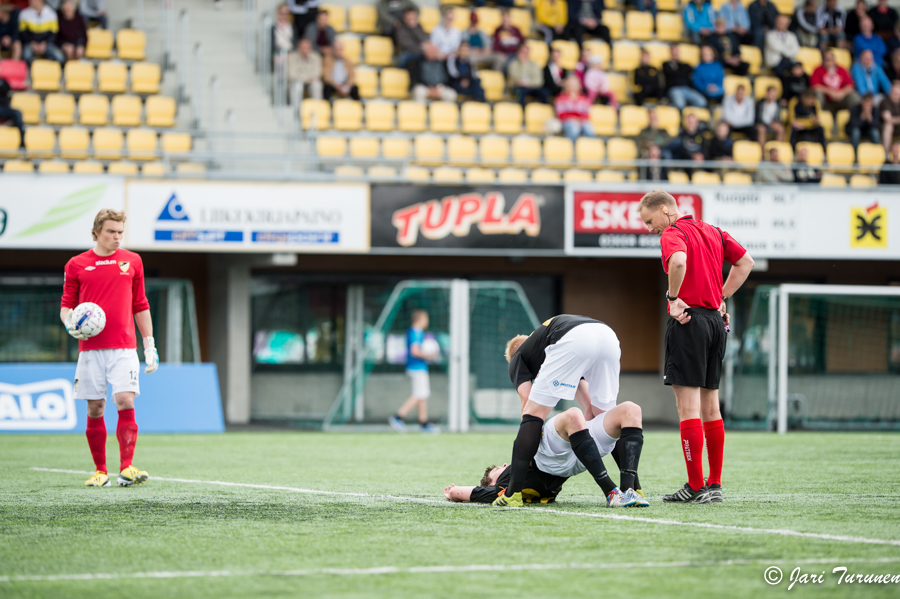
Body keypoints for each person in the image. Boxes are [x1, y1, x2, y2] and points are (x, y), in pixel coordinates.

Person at [637, 190, 754, 504]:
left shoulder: (674, 233)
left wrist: (673, 299)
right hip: (716, 324)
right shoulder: (713, 231)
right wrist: (720, 298)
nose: (649, 228)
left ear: (665, 210)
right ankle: (713, 484)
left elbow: (678, 260)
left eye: (650, 221)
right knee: (711, 407)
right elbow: (745, 262)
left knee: (687, 409)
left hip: (688, 322)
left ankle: (695, 486)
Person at [492, 315, 635, 508]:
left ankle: (513, 493)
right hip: (607, 335)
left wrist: (532, 447)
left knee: (532, 415)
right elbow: (590, 407)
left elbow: (528, 405)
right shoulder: (551, 347)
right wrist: (581, 437)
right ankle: (633, 489)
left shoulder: (517, 357)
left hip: (576, 338)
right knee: (607, 420)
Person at [60, 209, 158, 489]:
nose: (116, 237)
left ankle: (126, 468)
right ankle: (99, 471)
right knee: (95, 408)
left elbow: (140, 304)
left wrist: (149, 344)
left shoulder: (132, 261)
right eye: (111, 232)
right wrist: (71, 324)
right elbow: (66, 306)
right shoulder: (76, 264)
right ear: (97, 232)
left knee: (126, 400)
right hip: (90, 350)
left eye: (120, 232)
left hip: (124, 348)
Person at [444, 404, 648, 506]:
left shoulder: (512, 483)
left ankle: (629, 491)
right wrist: (452, 492)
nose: (504, 464)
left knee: (630, 410)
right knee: (573, 415)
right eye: (497, 469)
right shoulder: (503, 487)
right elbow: (470, 493)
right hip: (550, 457)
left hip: (577, 457)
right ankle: (611, 492)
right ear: (492, 484)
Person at [389, 310, 440, 433]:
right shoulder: (416, 332)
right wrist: (430, 356)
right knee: (419, 394)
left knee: (423, 395)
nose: (427, 321)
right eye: (426, 319)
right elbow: (415, 351)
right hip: (417, 368)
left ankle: (423, 423)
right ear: (420, 319)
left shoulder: (415, 332)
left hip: (417, 367)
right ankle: (398, 417)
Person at [18, 0, 64, 64]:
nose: (31, 1)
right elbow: (23, 32)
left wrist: (45, 43)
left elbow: (54, 33)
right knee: (25, 56)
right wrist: (31, 42)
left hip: (46, 44)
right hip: (30, 43)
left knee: (59, 57)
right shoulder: (24, 13)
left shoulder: (51, 13)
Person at [665, 44, 707, 109]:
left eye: (677, 51)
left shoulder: (685, 64)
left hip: (687, 89)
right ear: (670, 52)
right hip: (674, 89)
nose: (675, 53)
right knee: (680, 105)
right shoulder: (666, 64)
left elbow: (692, 71)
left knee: (702, 102)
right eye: (674, 51)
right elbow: (671, 74)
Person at [555, 75, 594, 141]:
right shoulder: (560, 98)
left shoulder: (584, 99)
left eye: (574, 84)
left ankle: (591, 148)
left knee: (589, 128)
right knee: (574, 127)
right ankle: (571, 148)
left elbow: (587, 114)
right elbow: (560, 114)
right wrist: (574, 118)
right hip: (566, 122)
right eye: (570, 84)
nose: (572, 86)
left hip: (582, 121)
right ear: (566, 85)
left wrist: (578, 119)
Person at [0, 76, 25, 145]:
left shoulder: (2, 80)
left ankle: (21, 140)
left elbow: (7, 88)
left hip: (5, 109)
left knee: (18, 113)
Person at [881, 81, 900, 152]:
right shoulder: (885, 102)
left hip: (898, 128)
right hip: (883, 128)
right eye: (894, 93)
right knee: (889, 125)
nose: (895, 95)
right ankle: (886, 154)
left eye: (897, 93)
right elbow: (888, 119)